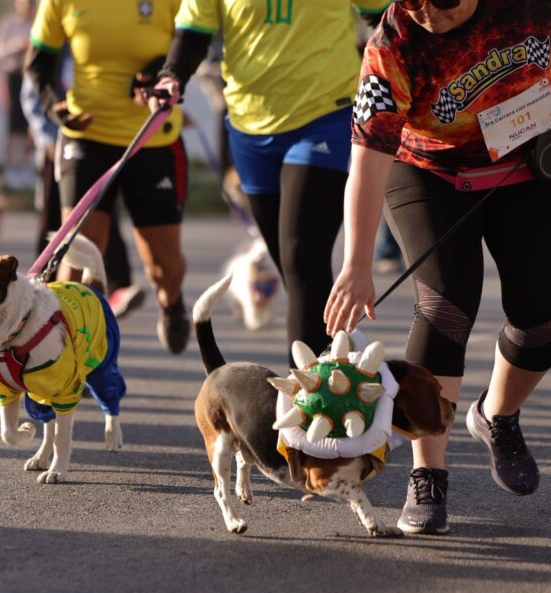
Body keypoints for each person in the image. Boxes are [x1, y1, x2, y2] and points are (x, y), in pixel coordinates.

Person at [324, 0, 551, 535]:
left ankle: (497, 415)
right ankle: (428, 477)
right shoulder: (393, 46)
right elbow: (366, 161)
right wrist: (357, 263)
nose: (425, 12)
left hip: (536, 157)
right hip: (430, 173)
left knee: (546, 313)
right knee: (445, 306)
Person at [150, 0, 390, 364]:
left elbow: (386, 17)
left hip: (325, 114)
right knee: (291, 266)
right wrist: (172, 75)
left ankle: (306, 396)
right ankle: (339, 349)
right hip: (249, 127)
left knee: (302, 255)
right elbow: (193, 33)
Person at [25, 0, 191, 354]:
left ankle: (172, 304)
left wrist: (154, 73)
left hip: (153, 136)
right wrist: (54, 105)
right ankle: (67, 355)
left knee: (164, 269)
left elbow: (191, 42)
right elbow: (39, 62)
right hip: (85, 136)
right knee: (79, 252)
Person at [0, 0, 35, 189]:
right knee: (12, 124)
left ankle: (26, 166)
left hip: (29, 76)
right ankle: (10, 167)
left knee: (29, 123)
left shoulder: (36, 23)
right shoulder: (8, 24)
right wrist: (17, 45)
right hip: (12, 77)